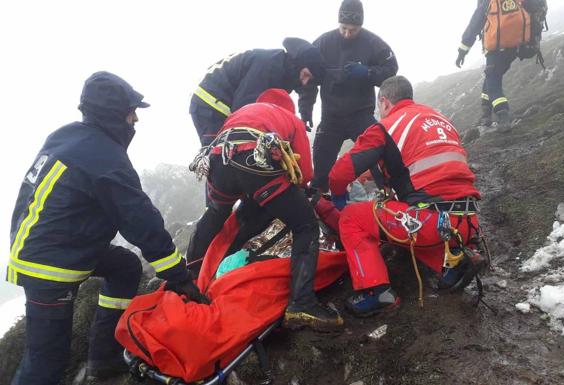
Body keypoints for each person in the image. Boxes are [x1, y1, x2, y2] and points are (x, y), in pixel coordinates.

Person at [7, 72, 203, 385]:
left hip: (61, 243)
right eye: (131, 111)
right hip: (48, 266)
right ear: (115, 115)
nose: (136, 118)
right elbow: (141, 221)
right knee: (46, 362)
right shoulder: (106, 159)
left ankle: (103, 356)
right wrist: (179, 277)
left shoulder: (67, 135)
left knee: (125, 265)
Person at [187, 88, 343, 331]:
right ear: (288, 107)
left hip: (218, 159)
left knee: (217, 214)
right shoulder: (289, 118)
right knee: (305, 226)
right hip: (254, 156)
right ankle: (301, 303)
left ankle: (193, 277)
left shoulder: (243, 112)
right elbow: (305, 175)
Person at [329, 76, 485, 317]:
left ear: (383, 102)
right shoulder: (438, 119)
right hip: (468, 221)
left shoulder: (386, 126)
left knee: (351, 217)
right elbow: (416, 165)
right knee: (408, 214)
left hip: (430, 222)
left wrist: (338, 196)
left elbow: (339, 174)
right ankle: (453, 265)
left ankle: (376, 292)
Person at [298, 0, 398, 192]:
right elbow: (307, 80)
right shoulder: (323, 43)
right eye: (343, 28)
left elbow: (391, 70)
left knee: (381, 154)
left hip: (360, 115)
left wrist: (368, 72)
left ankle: (390, 193)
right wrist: (305, 111)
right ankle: (319, 204)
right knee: (320, 163)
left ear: (361, 25)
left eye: (353, 29)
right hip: (331, 117)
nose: (347, 33)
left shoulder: (373, 43)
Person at [190, 37, 325, 146]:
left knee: (238, 150)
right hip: (210, 106)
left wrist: (305, 115)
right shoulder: (268, 67)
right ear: (299, 64)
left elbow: (307, 89)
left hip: (225, 103)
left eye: (310, 78)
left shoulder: (291, 70)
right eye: (306, 75)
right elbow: (245, 109)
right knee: (220, 154)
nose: (305, 81)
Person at [455, 0, 537, 130]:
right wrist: (533, 41)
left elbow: (474, 26)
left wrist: (462, 52)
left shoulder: (486, 2)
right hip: (517, 47)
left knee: (493, 82)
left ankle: (503, 116)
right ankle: (486, 115)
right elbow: (535, 9)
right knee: (490, 77)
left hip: (496, 50)